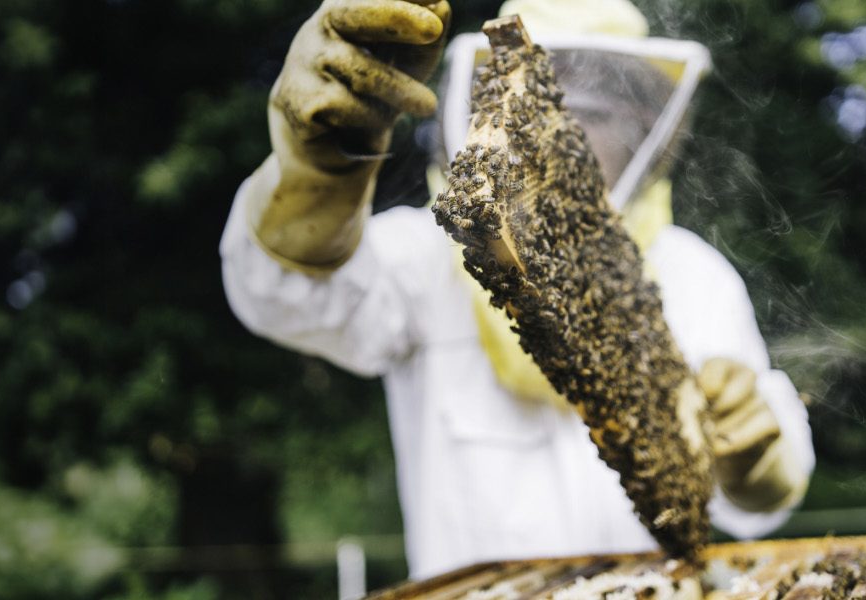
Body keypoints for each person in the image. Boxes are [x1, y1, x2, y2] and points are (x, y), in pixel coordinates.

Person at [219, 0, 815, 579]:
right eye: (539, 109)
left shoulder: (693, 274)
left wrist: (754, 461)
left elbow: (760, 507)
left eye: (596, 113)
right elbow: (281, 296)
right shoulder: (425, 257)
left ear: (646, 128)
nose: (565, 138)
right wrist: (318, 182)